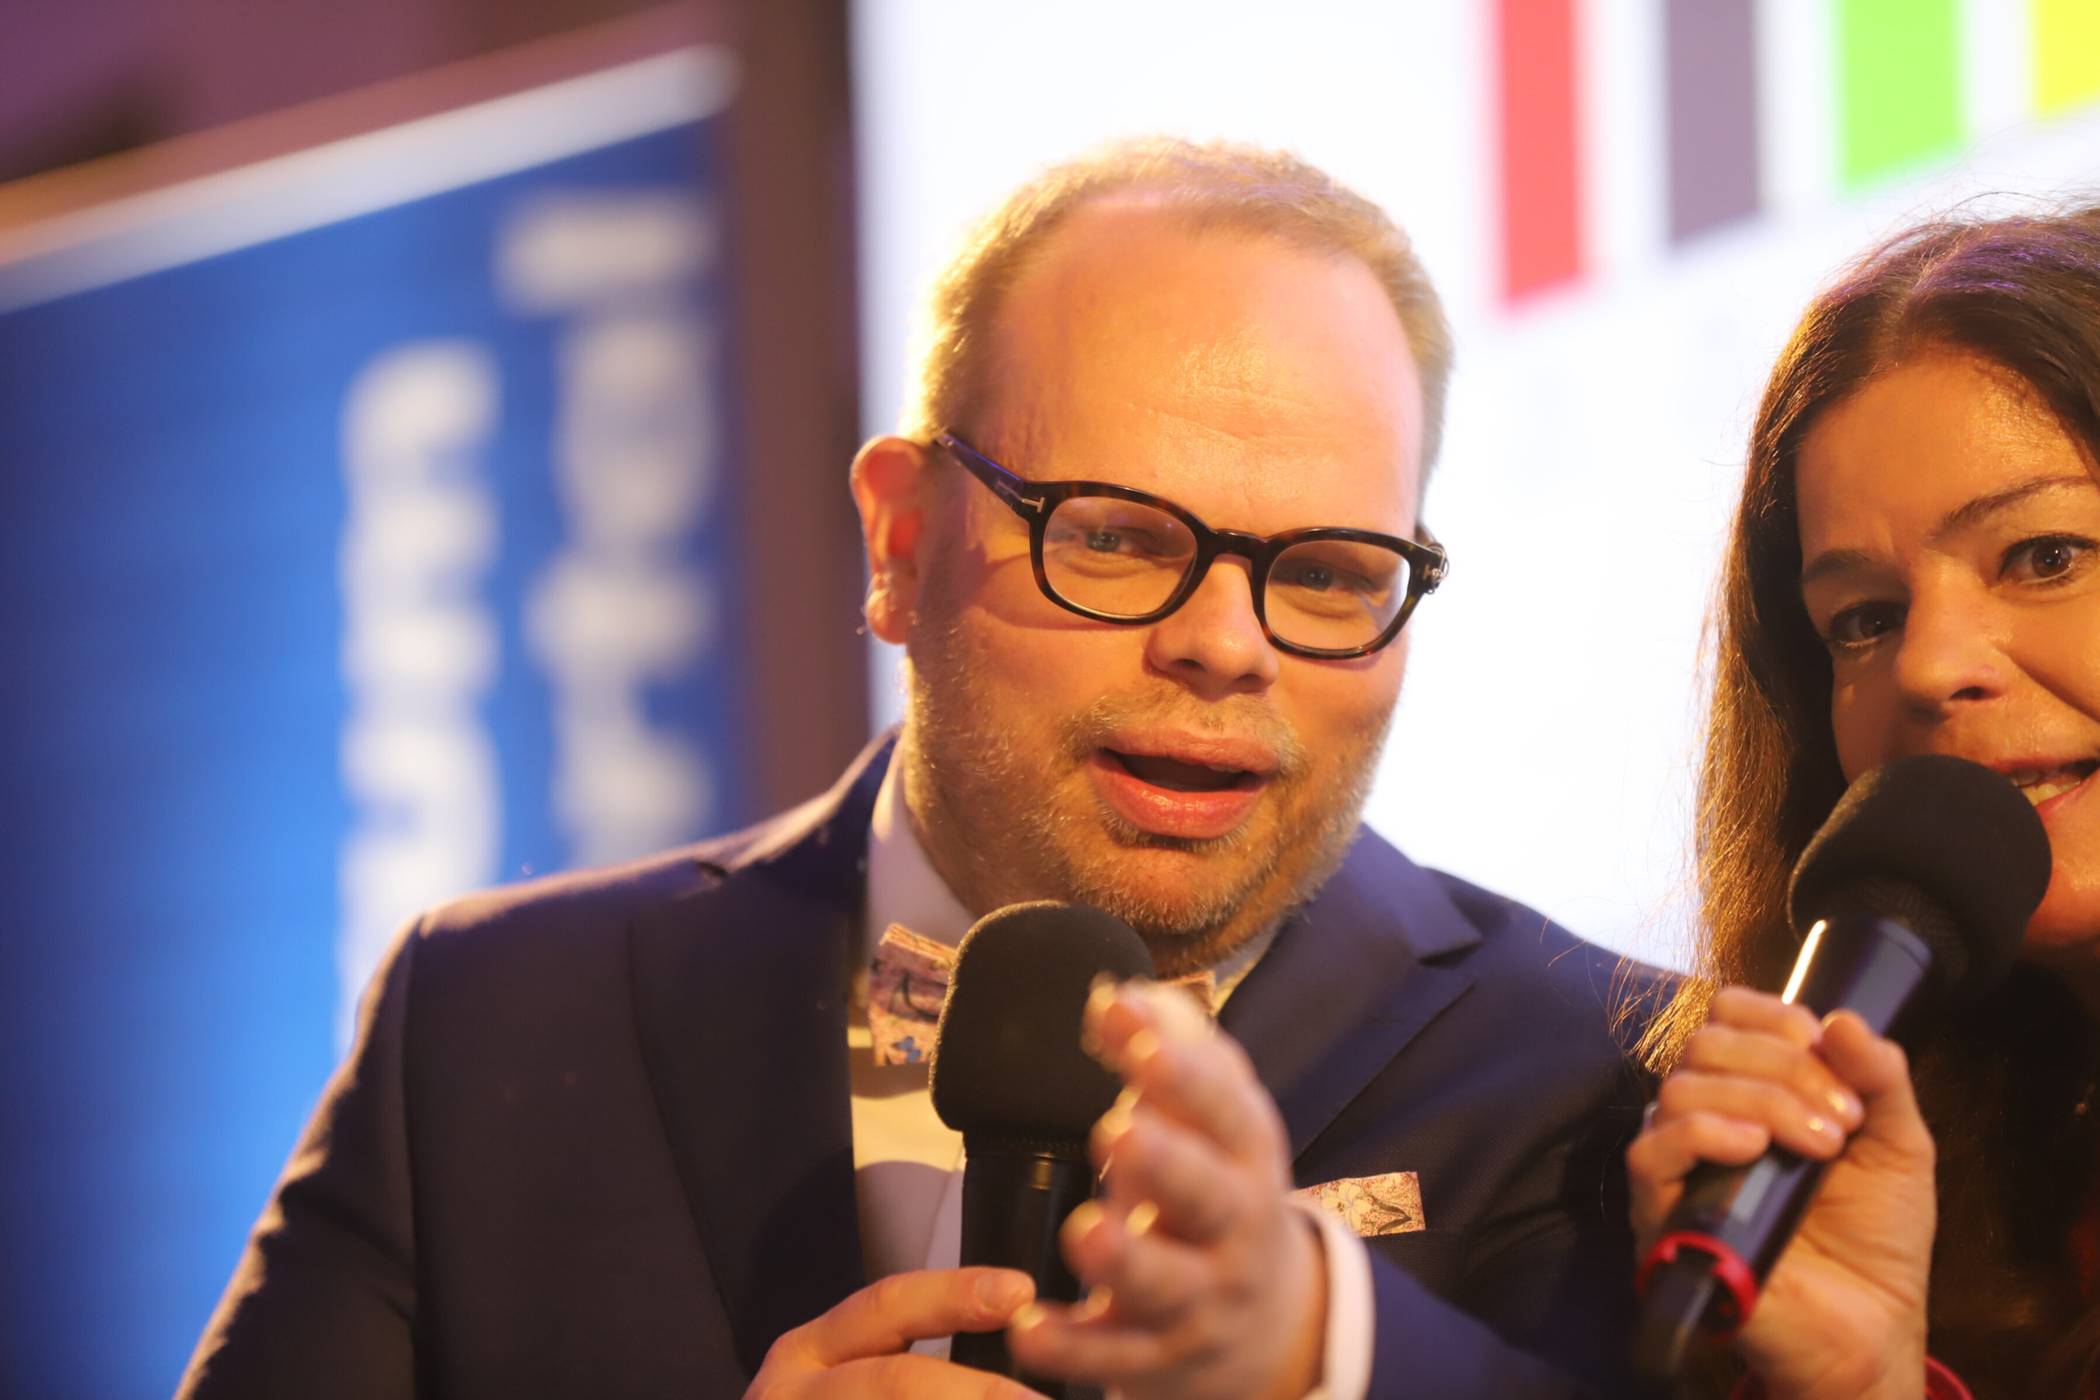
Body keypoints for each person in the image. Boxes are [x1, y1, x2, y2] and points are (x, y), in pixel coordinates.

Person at [180, 139, 1650, 1399]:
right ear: (898, 543)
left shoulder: (1600, 1077)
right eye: (1120, 537)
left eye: (1330, 572)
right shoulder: (493, 1023)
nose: (1224, 645)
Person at [1627, 205, 2100, 1398]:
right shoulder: (1955, 1175)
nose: (1931, 667)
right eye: (1865, 620)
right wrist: (1859, 1377)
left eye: (2044, 555)